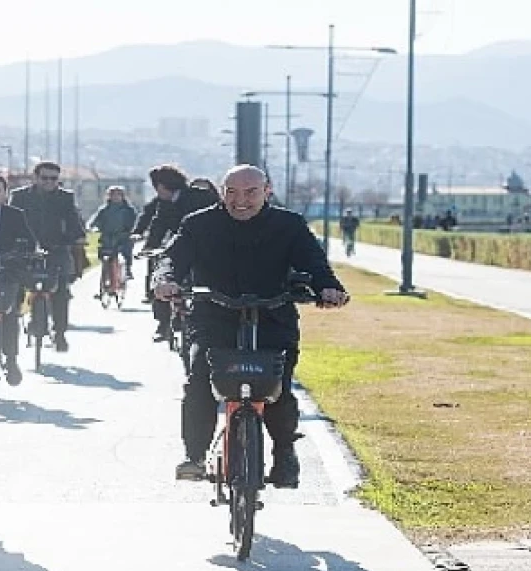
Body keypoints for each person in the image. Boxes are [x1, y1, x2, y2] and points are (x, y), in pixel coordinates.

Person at [153, 165, 349, 486]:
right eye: (231, 192)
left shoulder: (289, 225)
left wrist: (328, 288)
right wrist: (165, 280)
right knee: (200, 380)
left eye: (250, 192)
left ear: (267, 191)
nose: (240, 200)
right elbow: (172, 258)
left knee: (278, 388)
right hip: (214, 318)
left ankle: (285, 453)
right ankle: (194, 456)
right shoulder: (198, 224)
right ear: (221, 192)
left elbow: (314, 264)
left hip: (273, 317)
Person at [136, 164, 220, 342]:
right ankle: (163, 324)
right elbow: (158, 226)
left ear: (161, 186)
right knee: (161, 274)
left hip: (207, 248)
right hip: (180, 247)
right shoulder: (164, 204)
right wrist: (149, 248)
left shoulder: (201, 196)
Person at [9, 162, 86, 353]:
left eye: (54, 179)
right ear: (35, 178)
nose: (49, 182)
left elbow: (73, 221)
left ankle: (59, 333)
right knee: (12, 287)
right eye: (45, 178)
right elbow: (11, 220)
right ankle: (9, 330)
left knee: (60, 291)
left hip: (55, 249)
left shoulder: (65, 198)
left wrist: (74, 237)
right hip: (25, 250)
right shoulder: (20, 196)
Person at [0, 173, 39, 385]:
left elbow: (30, 242)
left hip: (8, 272)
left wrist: (22, 253)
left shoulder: (15, 215)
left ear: (5, 194)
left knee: (10, 314)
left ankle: (10, 359)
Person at [87, 185, 138, 282]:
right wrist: (92, 227)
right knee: (104, 254)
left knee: (126, 252)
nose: (116, 197)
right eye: (113, 195)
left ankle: (127, 270)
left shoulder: (129, 210)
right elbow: (95, 220)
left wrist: (134, 232)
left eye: (118, 195)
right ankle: (105, 279)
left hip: (124, 237)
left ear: (123, 196)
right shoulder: (104, 209)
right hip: (107, 237)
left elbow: (136, 223)